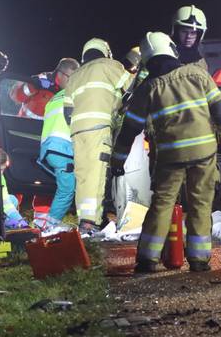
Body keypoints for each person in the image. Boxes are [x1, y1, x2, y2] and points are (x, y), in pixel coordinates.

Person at [113, 31, 221, 272]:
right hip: (203, 154)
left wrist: (118, 161)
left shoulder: (147, 89)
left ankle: (147, 260)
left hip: (169, 157)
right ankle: (199, 260)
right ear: (172, 50)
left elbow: (129, 129)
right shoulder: (198, 75)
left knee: (162, 204)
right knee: (200, 204)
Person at [66, 38, 132, 235]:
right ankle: (91, 224)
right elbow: (131, 88)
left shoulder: (75, 76)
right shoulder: (110, 65)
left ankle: (87, 219)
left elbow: (67, 111)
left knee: (83, 176)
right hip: (99, 127)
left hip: (77, 132)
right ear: (106, 52)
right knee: (97, 174)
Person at [36, 61, 76, 234]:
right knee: (67, 190)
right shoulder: (74, 94)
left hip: (50, 149)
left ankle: (44, 225)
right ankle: (49, 228)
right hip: (63, 149)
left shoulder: (54, 98)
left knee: (67, 187)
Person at [10, 58, 78, 119]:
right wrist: (32, 86)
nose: (72, 82)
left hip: (47, 128)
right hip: (23, 125)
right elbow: (15, 96)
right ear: (60, 74)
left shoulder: (73, 92)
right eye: (70, 77)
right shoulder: (41, 80)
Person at [171, 5, 210, 74]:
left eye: (193, 33)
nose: (188, 36)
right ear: (176, 32)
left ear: (199, 35)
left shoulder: (201, 63)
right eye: (184, 31)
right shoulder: (166, 56)